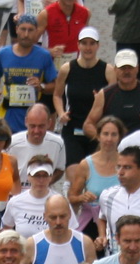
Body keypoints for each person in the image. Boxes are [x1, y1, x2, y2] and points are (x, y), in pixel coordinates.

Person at [57, 31, 114, 169]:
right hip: (73, 127)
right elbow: (57, 95)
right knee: (73, 172)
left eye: (92, 44)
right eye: (84, 43)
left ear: (98, 46)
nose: (88, 48)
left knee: (96, 171)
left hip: (97, 129)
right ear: (78, 45)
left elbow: (114, 98)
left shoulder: (107, 70)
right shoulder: (67, 69)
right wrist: (60, 113)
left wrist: (101, 100)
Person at [80, 51, 140, 140]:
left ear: (137, 68)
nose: (127, 71)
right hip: (115, 149)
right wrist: (104, 140)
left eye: (130, 67)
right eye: (122, 68)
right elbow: (88, 125)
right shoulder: (105, 94)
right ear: (115, 69)